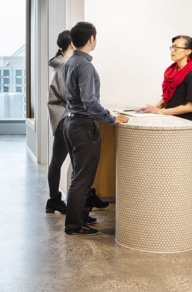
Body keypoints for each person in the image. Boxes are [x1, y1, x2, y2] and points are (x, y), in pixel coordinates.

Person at [62, 21, 128, 236]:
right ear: (91, 39)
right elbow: (89, 101)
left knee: (79, 176)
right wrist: (110, 118)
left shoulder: (70, 62)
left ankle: (79, 218)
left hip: (71, 123)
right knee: (83, 179)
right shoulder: (85, 65)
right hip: (82, 125)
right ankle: (74, 225)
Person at [45, 31, 109, 216]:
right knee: (76, 165)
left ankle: (59, 200)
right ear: (73, 44)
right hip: (67, 117)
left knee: (64, 162)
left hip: (61, 117)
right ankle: (77, 207)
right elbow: (74, 97)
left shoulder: (60, 64)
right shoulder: (66, 65)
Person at [141, 34, 192, 212]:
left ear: (188, 51)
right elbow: (168, 97)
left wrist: (162, 111)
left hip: (183, 129)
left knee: (183, 173)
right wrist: (154, 107)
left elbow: (190, 106)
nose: (173, 51)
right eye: (172, 47)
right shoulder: (172, 72)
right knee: (170, 171)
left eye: (177, 47)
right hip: (171, 127)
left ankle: (185, 209)